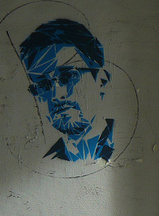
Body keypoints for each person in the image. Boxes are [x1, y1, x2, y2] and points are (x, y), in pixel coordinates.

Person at [19, 19, 113, 161]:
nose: (56, 96)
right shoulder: (48, 157)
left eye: (68, 77)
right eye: (44, 84)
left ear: (102, 80)